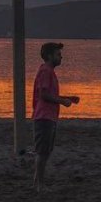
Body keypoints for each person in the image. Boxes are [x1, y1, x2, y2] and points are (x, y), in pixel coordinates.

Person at [32, 42, 79, 191]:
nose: (61, 57)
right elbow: (44, 95)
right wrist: (63, 101)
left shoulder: (48, 71)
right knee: (42, 152)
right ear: (49, 56)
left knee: (45, 151)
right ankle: (40, 184)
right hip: (44, 117)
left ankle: (37, 181)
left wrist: (68, 98)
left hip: (48, 117)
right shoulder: (46, 71)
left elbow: (49, 94)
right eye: (58, 54)